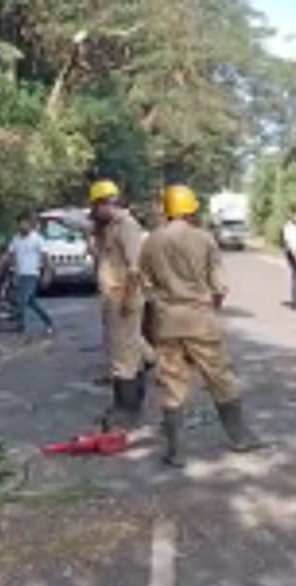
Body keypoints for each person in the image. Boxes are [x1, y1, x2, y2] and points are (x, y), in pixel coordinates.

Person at [140, 183, 268, 468]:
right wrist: (212, 307)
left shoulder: (152, 241)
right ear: (190, 210)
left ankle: (175, 451)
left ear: (167, 210)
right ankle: (240, 437)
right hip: (200, 319)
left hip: (167, 322)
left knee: (172, 384)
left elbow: (145, 286)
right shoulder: (205, 239)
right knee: (220, 377)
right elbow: (220, 287)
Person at [89, 179, 150, 428]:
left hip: (123, 298)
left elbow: (135, 269)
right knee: (130, 350)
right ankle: (131, 402)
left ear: (105, 203)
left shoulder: (126, 225)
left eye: (95, 207)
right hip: (113, 298)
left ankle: (125, 411)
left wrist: (126, 299)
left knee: (122, 356)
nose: (93, 212)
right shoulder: (108, 227)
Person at [0, 211, 54, 335]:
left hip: (32, 275)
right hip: (20, 274)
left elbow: (45, 258)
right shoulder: (16, 239)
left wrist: (47, 273)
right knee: (31, 302)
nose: (21, 226)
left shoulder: (37, 239)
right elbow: (8, 255)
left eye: (24, 223)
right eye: (19, 223)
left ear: (30, 224)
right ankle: (48, 321)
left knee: (22, 300)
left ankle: (20, 325)